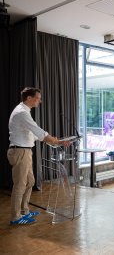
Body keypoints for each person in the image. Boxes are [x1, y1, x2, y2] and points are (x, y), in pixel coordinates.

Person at [8, 87, 71, 225]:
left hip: (25, 151)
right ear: (29, 98)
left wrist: (54, 140)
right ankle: (16, 218)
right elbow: (38, 131)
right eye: (38, 98)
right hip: (20, 152)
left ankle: (25, 210)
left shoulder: (25, 111)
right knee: (20, 185)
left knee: (30, 182)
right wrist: (55, 140)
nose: (40, 101)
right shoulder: (21, 113)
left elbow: (33, 133)